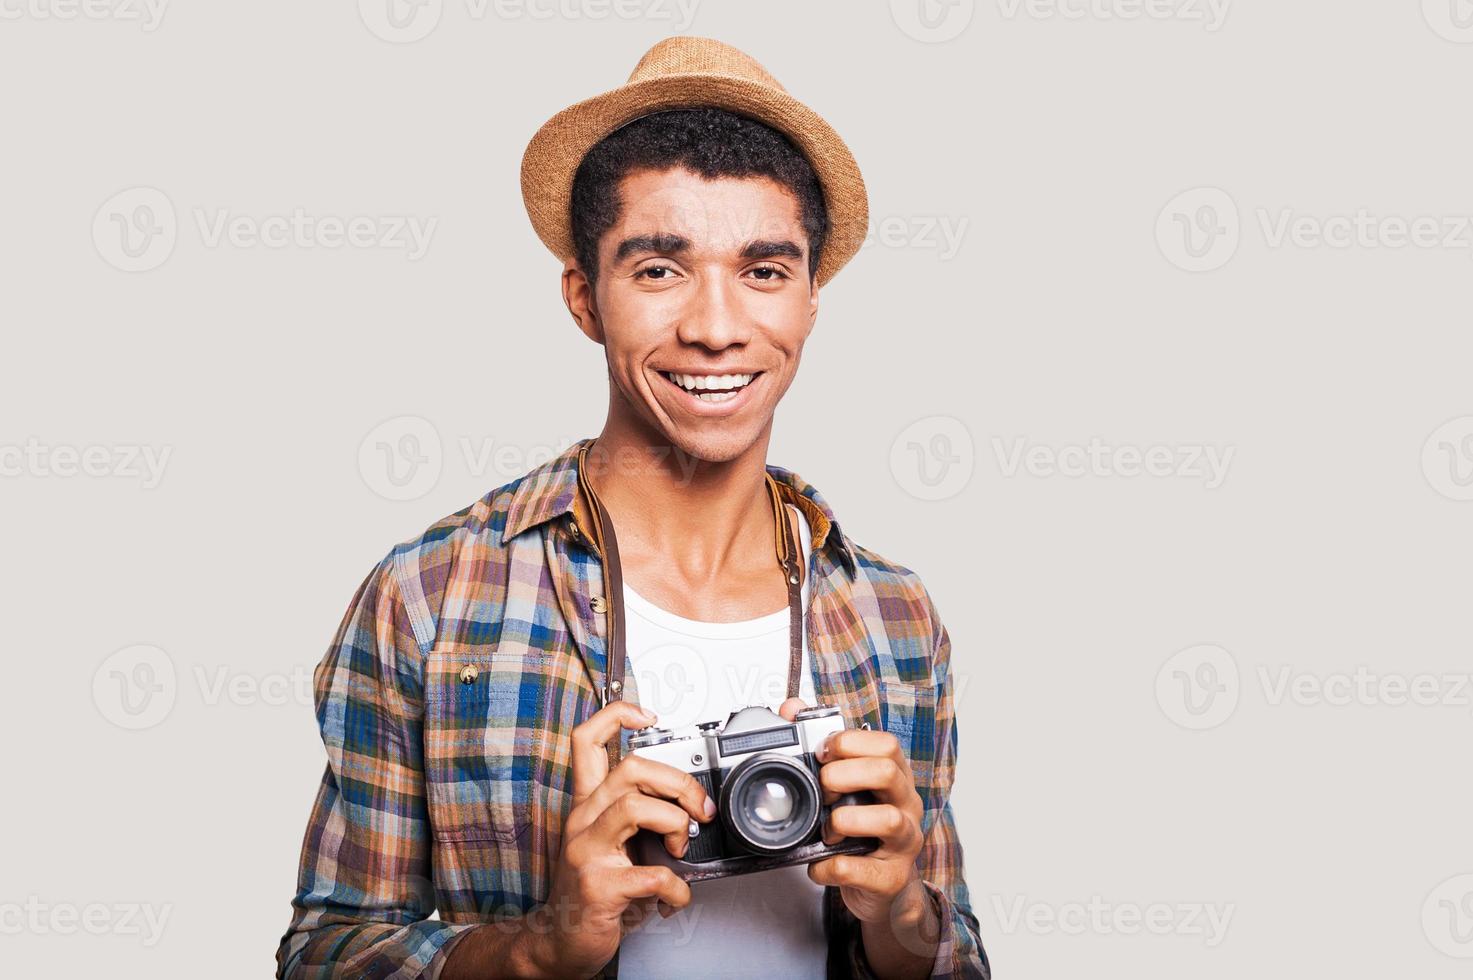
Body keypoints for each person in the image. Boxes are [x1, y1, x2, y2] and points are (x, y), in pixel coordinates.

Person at [276, 35, 989, 979]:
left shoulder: (893, 615)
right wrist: (541, 948)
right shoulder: (432, 597)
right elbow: (324, 956)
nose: (715, 326)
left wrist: (900, 915)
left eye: (764, 271)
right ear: (584, 298)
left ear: (811, 300)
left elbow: (958, 961)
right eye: (659, 270)